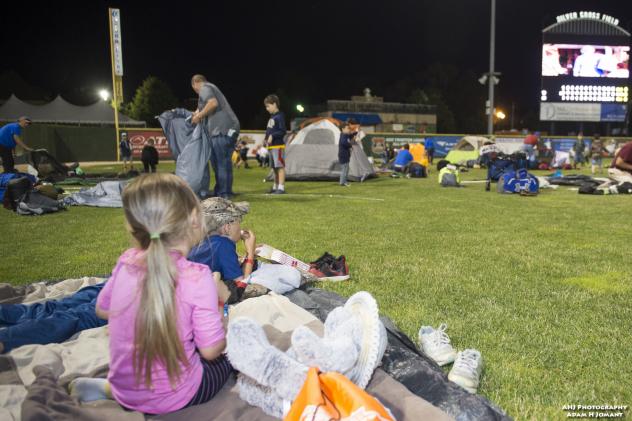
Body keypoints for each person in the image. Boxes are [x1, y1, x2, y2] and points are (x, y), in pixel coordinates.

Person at [70, 173, 231, 414]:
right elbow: (210, 350)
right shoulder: (198, 277)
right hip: (178, 396)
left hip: (125, 391)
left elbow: (102, 309)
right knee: (229, 353)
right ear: (195, 219)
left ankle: (108, 390)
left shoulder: (127, 262)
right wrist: (220, 303)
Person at [188, 197, 257, 303]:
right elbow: (240, 286)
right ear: (227, 227)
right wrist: (250, 253)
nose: (240, 227)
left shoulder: (201, 240)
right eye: (239, 221)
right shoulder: (223, 245)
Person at [191, 74, 240, 199]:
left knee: (220, 162)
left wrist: (199, 116)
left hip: (221, 130)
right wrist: (196, 114)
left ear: (196, 83)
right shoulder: (211, 88)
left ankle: (223, 193)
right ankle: (225, 191)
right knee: (224, 162)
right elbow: (199, 109)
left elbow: (212, 103)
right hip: (229, 128)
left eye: (195, 89)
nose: (197, 92)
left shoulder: (205, 87)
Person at [264, 94, 287, 194]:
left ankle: (281, 188)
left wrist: (273, 136)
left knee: (279, 167)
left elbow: (283, 131)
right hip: (271, 146)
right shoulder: (272, 117)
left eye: (268, 106)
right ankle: (275, 186)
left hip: (278, 146)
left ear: (274, 104)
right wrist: (265, 139)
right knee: (274, 168)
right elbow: (269, 131)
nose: (267, 109)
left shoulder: (280, 116)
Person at [338, 120, 357, 187]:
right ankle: (343, 182)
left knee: (345, 169)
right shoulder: (343, 135)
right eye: (347, 128)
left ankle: (342, 181)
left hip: (345, 155)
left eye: (349, 128)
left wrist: (355, 133)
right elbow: (344, 143)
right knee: (345, 169)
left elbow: (350, 136)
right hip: (343, 155)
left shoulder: (345, 135)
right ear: (343, 129)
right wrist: (350, 145)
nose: (349, 130)